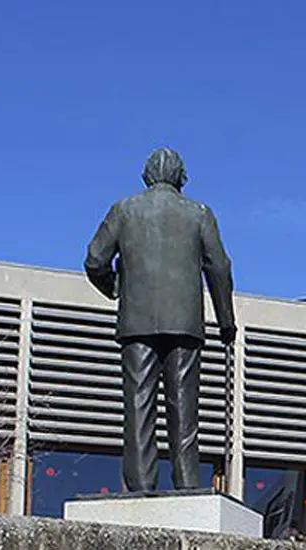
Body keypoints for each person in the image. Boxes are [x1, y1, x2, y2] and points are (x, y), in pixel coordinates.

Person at [84, 147, 236, 491]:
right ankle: (186, 485)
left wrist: (116, 289)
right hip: (185, 324)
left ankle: (140, 487)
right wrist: (226, 320)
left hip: (136, 323)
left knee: (138, 407)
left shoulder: (124, 210)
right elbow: (219, 267)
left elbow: (95, 259)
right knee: (184, 408)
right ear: (182, 178)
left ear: (145, 176)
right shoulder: (199, 213)